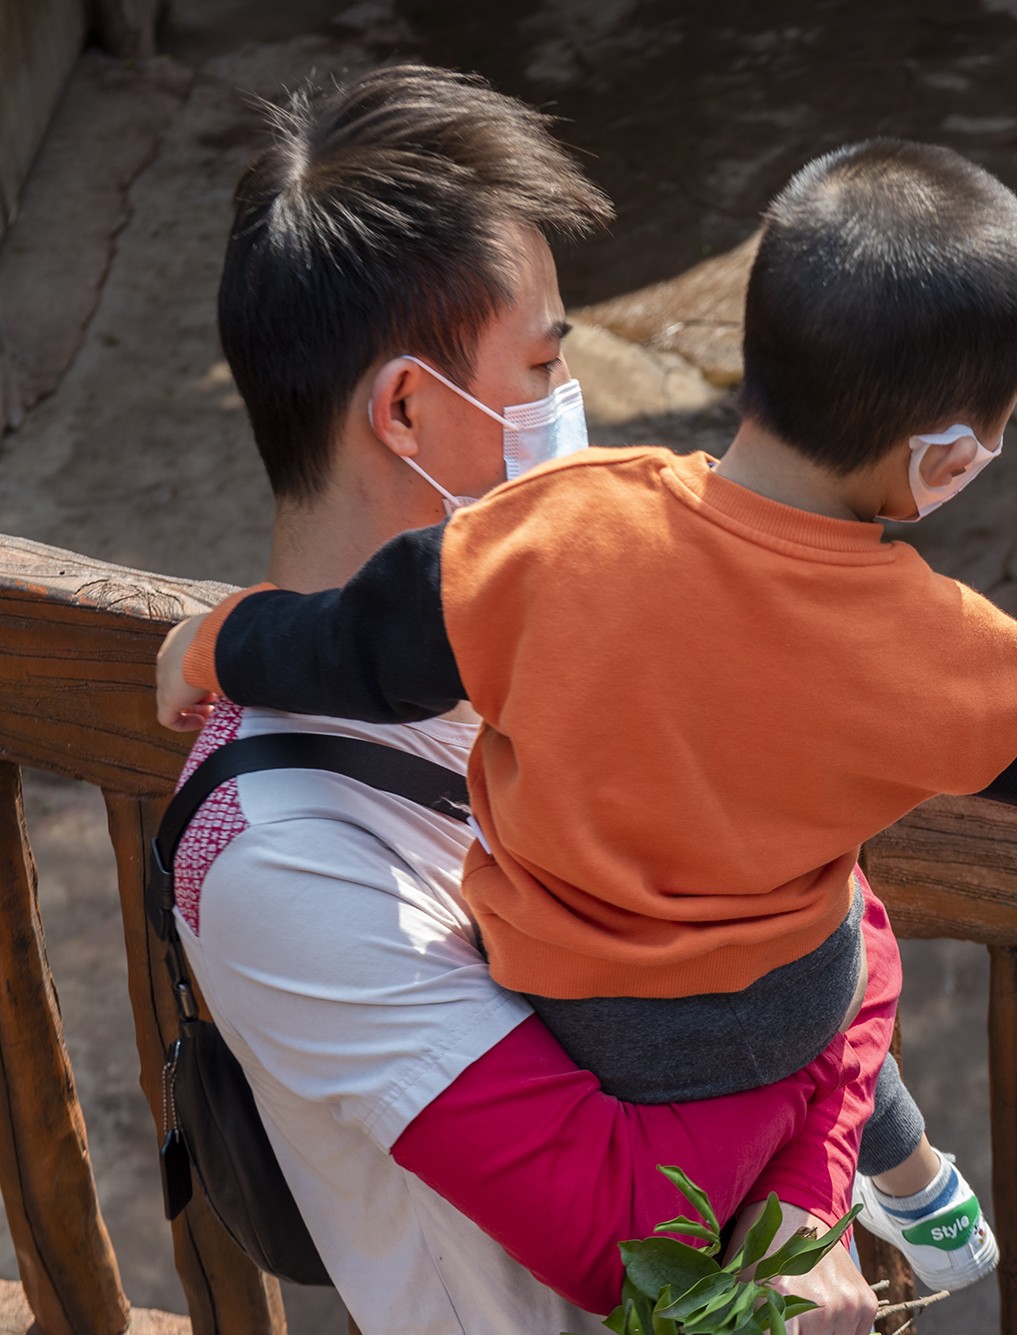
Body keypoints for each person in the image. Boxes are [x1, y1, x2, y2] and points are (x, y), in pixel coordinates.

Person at [155, 137, 1017, 1285]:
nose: (566, 394)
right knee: (835, 946)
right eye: (543, 365)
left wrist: (213, 640)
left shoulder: (543, 535)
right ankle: (908, 1177)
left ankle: (904, 1173)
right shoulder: (935, 648)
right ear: (948, 460)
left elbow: (346, 645)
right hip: (753, 1042)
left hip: (588, 1000)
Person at [165, 64, 884, 1334]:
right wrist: (807, 1194)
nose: (578, 413)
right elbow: (645, 1236)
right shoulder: (276, 859)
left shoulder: (567, 639)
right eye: (546, 362)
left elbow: (842, 919)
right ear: (404, 410)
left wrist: (797, 1178)